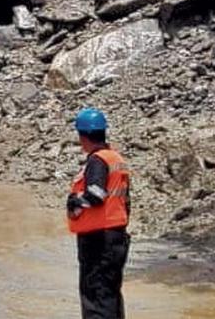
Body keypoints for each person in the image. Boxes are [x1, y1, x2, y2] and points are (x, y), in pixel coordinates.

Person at [67, 108, 131, 319]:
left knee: (95, 296)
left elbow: (96, 194)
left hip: (98, 241)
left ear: (82, 136)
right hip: (115, 237)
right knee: (109, 296)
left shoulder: (97, 160)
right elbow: (125, 201)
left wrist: (76, 202)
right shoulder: (115, 158)